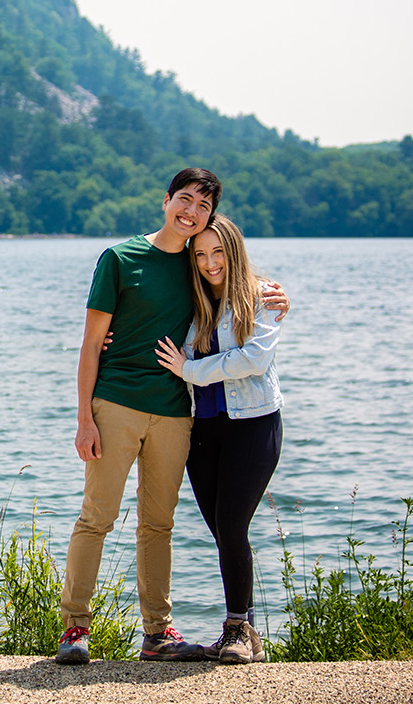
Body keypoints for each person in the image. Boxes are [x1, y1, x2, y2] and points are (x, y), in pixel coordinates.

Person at [54, 168, 288, 665]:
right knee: (97, 517)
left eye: (202, 206)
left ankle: (157, 634)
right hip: (115, 404)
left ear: (211, 215)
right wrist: (84, 419)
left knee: (158, 524)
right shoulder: (120, 258)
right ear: (165, 201)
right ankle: (76, 628)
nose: (191, 212)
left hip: (177, 414)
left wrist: (276, 295)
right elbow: (93, 343)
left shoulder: (197, 263)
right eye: (184, 200)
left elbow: (236, 283)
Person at [154, 214, 282, 665]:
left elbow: (252, 359)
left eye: (218, 252)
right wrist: (112, 338)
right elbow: (149, 329)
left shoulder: (260, 296)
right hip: (201, 430)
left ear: (234, 250)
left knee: (232, 526)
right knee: (223, 533)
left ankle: (234, 629)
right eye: (201, 254)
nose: (210, 263)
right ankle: (245, 633)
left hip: (253, 424)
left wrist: (190, 370)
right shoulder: (189, 301)